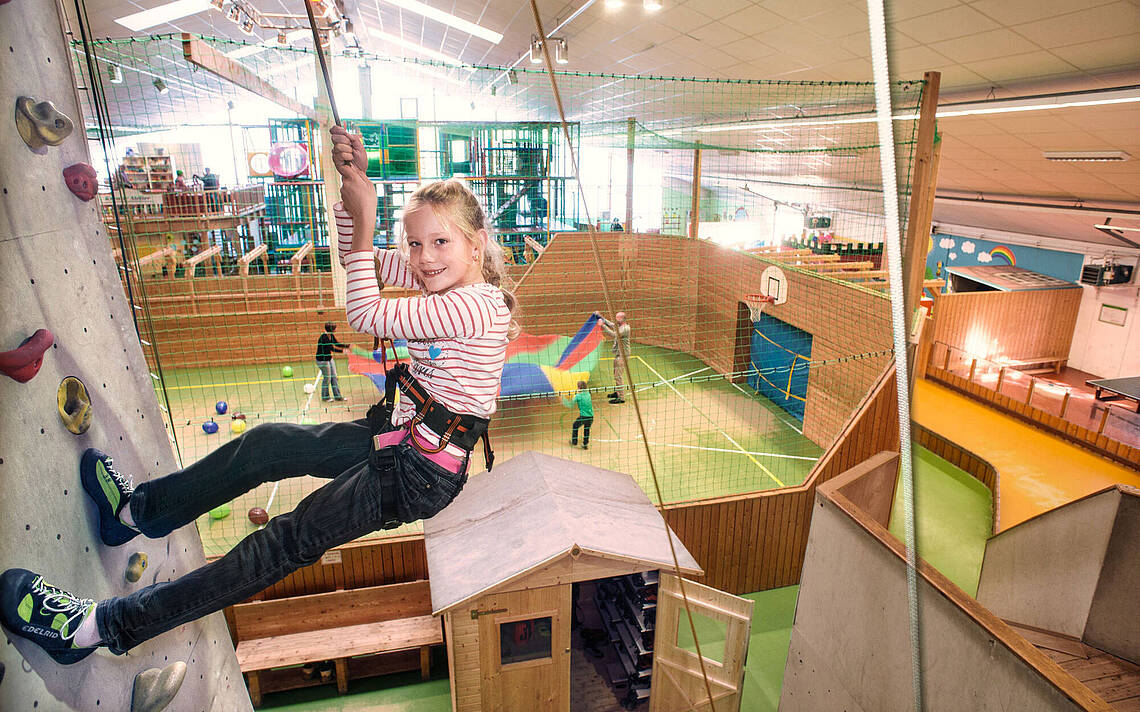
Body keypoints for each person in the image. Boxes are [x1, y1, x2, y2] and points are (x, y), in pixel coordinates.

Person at [0, 127, 519, 665]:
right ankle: (135, 513)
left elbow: (364, 312)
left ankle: (92, 629)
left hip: (417, 473)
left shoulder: (478, 306)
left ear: (475, 244)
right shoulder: (439, 280)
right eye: (414, 243)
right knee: (266, 445)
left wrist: (366, 219)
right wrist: (354, 183)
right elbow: (354, 256)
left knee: (280, 543)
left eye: (440, 242)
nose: (423, 257)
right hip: (396, 438)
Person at [595, 311, 631, 403]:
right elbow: (611, 324)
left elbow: (614, 334)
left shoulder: (625, 329)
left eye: (617, 318)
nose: (615, 320)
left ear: (622, 319)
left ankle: (621, 398)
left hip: (623, 355)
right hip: (619, 354)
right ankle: (618, 392)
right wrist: (601, 317)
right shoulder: (620, 326)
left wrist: (602, 325)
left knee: (618, 376)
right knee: (615, 374)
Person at [315, 321, 348, 402]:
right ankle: (325, 397)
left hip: (329, 359)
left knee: (334, 377)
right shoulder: (324, 338)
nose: (336, 329)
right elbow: (331, 348)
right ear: (331, 329)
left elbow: (336, 343)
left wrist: (347, 346)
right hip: (322, 360)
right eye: (335, 328)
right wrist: (343, 351)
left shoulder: (331, 336)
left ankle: (338, 396)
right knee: (327, 378)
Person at [563, 380, 593, 450]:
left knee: (575, 425)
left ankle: (574, 442)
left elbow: (570, 405)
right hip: (591, 416)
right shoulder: (588, 394)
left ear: (579, 388)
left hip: (584, 416)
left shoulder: (578, 396)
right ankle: (585, 444)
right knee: (587, 429)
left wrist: (563, 400)